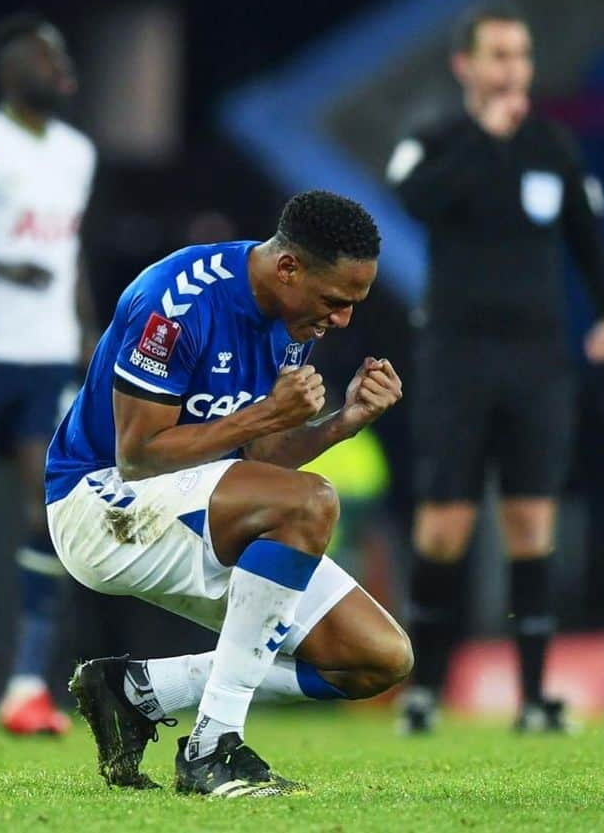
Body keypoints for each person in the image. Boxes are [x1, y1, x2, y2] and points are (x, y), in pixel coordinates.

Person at [50, 190, 412, 797]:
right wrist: (268, 412)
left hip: (192, 503)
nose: (343, 319)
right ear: (289, 267)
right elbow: (136, 456)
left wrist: (343, 422)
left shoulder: (294, 314)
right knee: (311, 500)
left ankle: (141, 690)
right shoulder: (176, 303)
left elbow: (258, 460)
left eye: (353, 305)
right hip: (96, 505)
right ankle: (212, 746)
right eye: (335, 301)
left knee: (377, 657)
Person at [386, 3, 604, 733]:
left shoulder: (553, 146)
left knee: (533, 520)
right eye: (497, 55)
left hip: (538, 359)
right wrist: (484, 145)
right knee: (444, 527)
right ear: (464, 65)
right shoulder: (436, 140)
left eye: (520, 55)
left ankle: (534, 699)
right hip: (456, 358)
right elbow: (413, 200)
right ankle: (423, 691)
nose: (511, 69)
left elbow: (588, 237)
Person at [0, 14, 97, 735]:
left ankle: (25, 683)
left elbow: (72, 249)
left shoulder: (78, 153)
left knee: (49, 509)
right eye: (46, 56)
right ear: (10, 69)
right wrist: (1, 267)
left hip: (45, 354)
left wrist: (86, 330)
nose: (60, 65)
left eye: (62, 53)